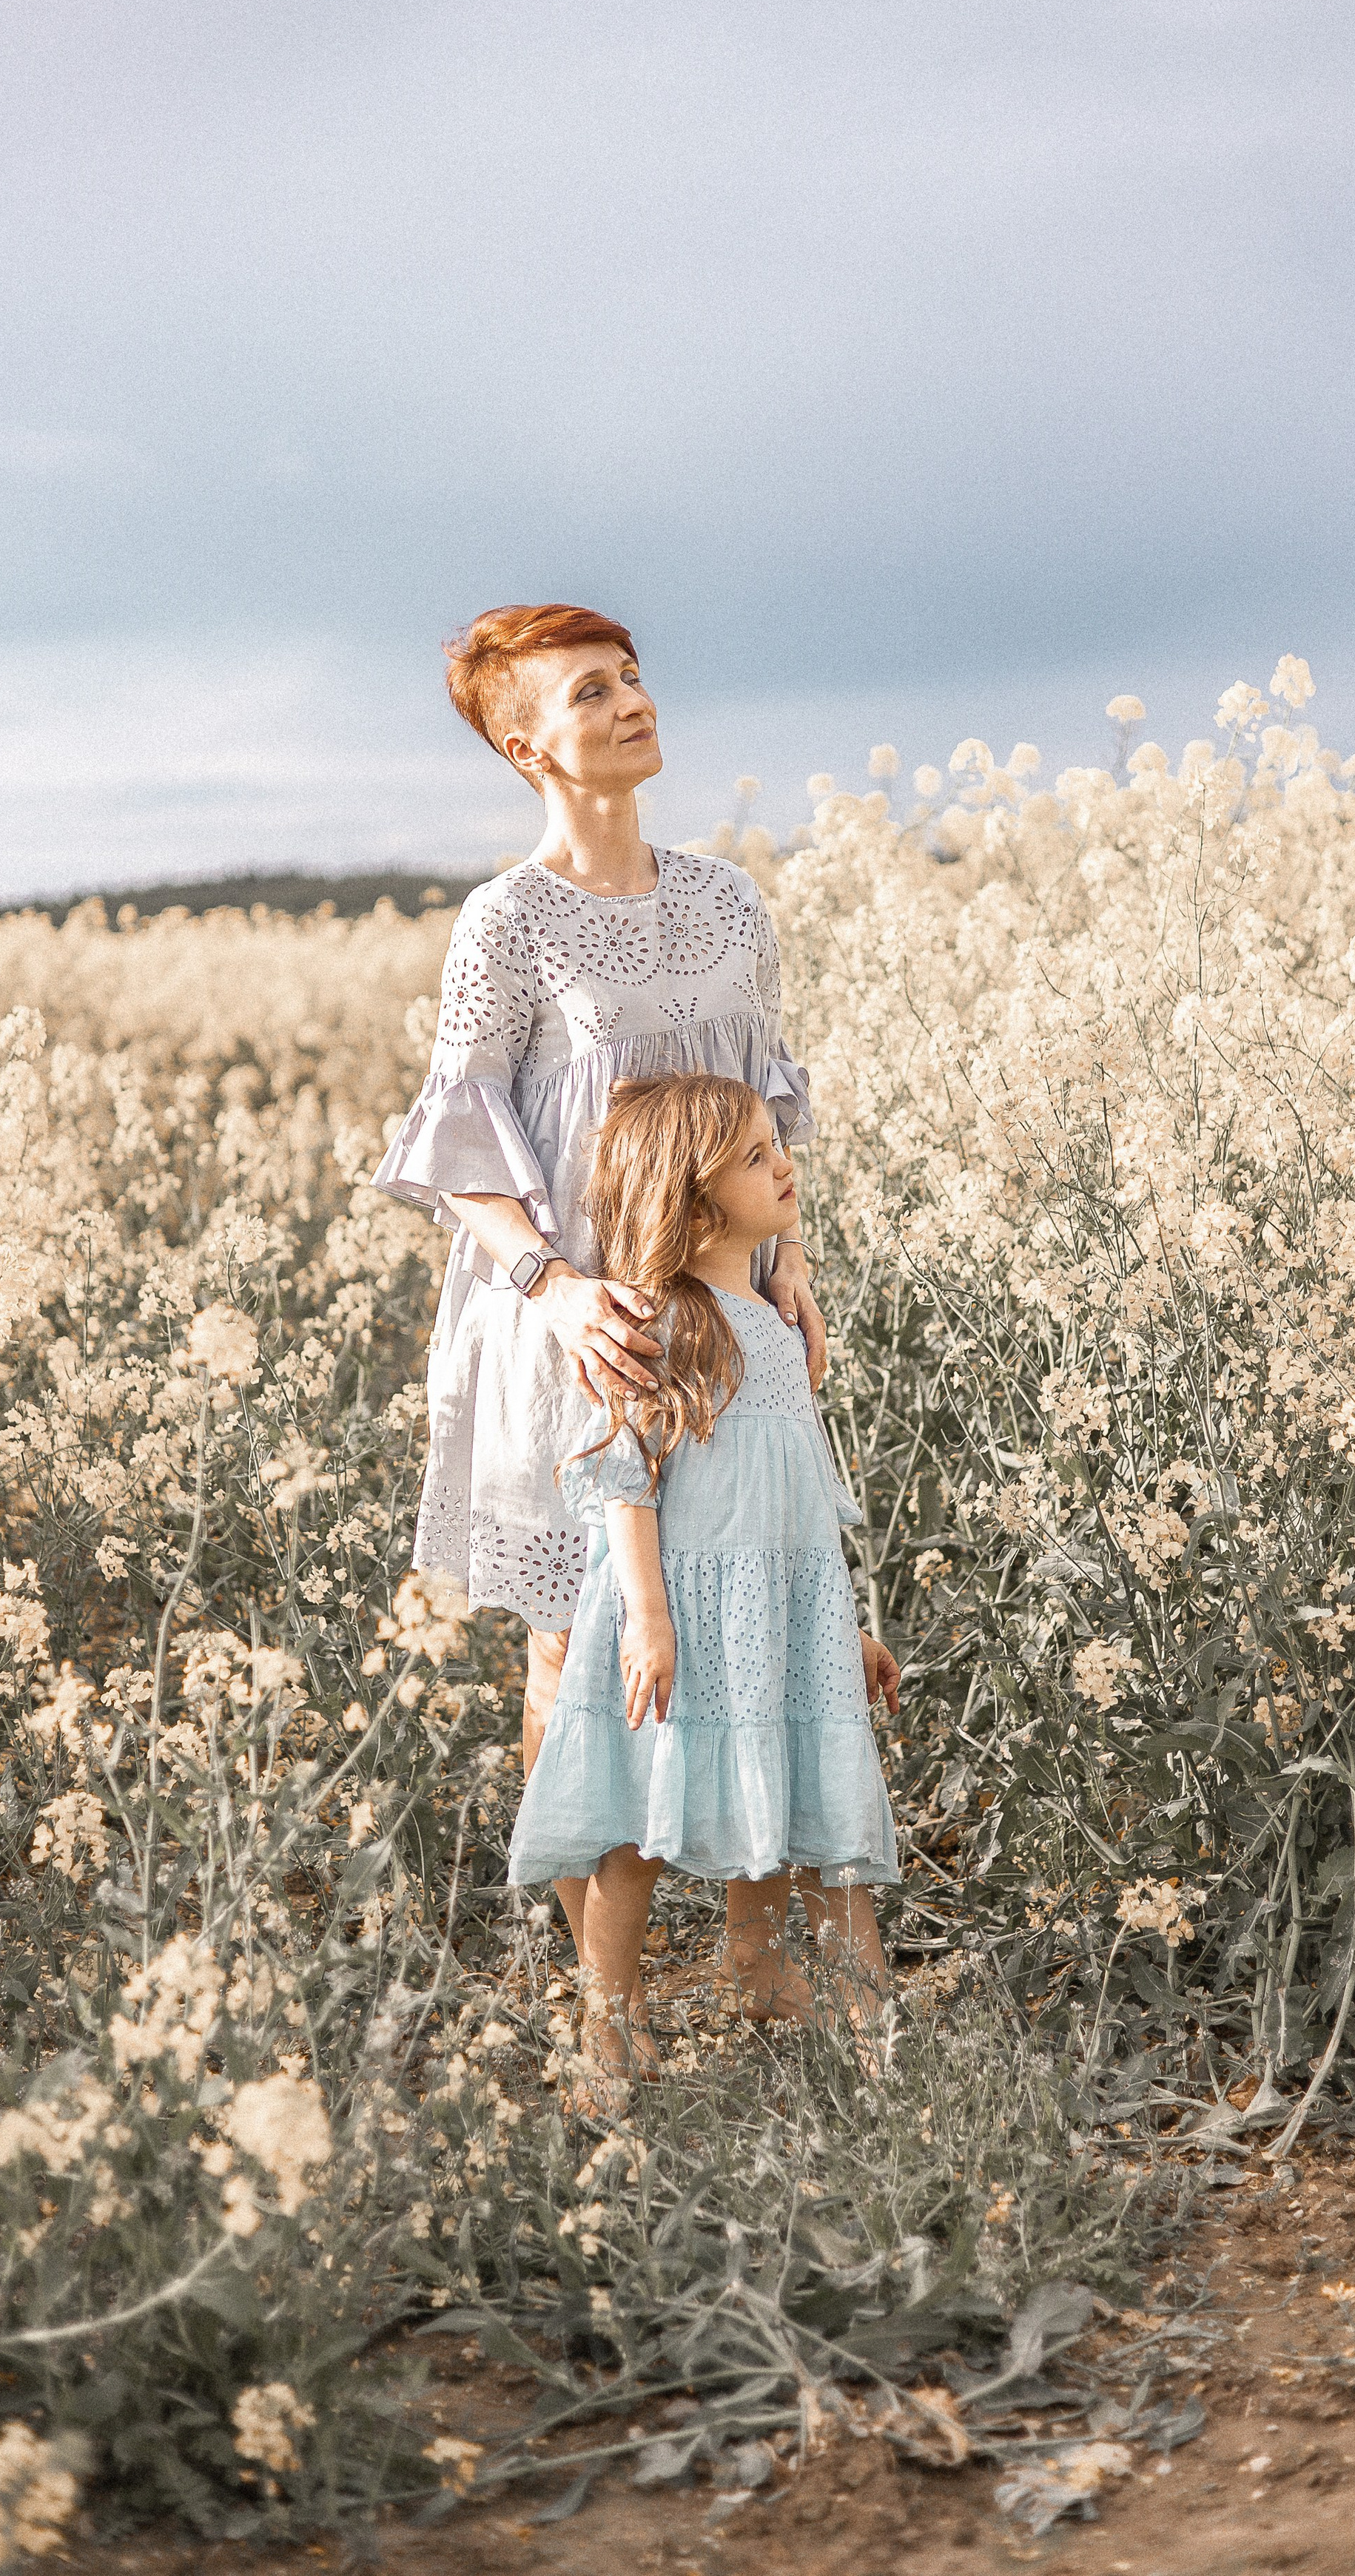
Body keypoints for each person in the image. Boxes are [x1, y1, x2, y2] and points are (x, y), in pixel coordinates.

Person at [375, 604, 829, 1966]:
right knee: (574, 1655)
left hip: (722, 1325)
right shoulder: (508, 920)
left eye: (632, 676)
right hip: (570, 1324)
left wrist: (790, 1264)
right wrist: (555, 1287)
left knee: (736, 1613)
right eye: (591, 691)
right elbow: (454, 1145)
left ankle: (747, 1951)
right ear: (528, 747)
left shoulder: (726, 900)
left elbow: (768, 1111)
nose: (632, 701)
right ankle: (603, 1994)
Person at [508, 1072, 900, 2103]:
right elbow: (621, 1480)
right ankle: (610, 2019)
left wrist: (847, 1624)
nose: (787, 1165)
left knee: (800, 1811)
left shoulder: (775, 1323)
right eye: (758, 1156)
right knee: (634, 1834)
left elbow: (806, 1497)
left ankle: (847, 2031)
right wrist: (646, 1618)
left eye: (779, 1145)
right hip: (674, 1616)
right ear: (691, 1199)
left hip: (780, 1608)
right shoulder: (661, 1323)